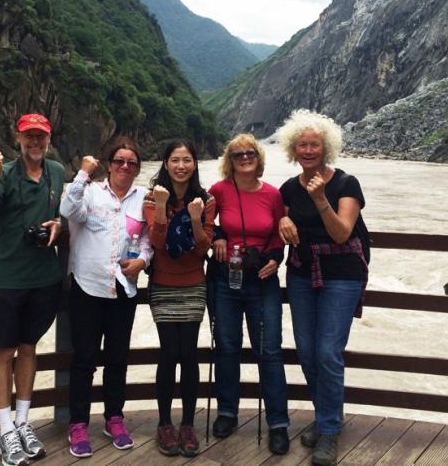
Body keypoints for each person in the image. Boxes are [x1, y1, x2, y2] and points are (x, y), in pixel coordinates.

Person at [277, 109, 368, 466]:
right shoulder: (287, 188)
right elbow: (277, 221)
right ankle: (326, 416)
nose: (309, 150)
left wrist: (320, 200)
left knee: (328, 352)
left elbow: (342, 232)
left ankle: (328, 429)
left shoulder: (346, 184)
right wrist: (283, 217)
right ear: (293, 149)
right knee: (306, 350)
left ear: (326, 147)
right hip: (301, 273)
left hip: (342, 274)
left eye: (315, 144)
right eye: (303, 144)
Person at [0, 113, 65, 466]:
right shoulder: (6, 172)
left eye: (40, 137)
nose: (35, 142)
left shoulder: (57, 172)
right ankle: (5, 431)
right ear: (18, 138)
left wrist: (58, 224)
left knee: (29, 347)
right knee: (4, 351)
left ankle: (23, 422)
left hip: (45, 276)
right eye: (29, 136)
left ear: (48, 138)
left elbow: (63, 214)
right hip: (8, 277)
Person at [60, 136, 152, 458]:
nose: (125, 167)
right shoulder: (90, 192)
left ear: (138, 168)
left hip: (124, 289)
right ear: (108, 163)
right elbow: (67, 209)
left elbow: (146, 240)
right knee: (84, 360)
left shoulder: (145, 199)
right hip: (88, 287)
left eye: (131, 163)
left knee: (117, 359)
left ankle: (114, 418)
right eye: (119, 161)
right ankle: (78, 424)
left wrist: (143, 261)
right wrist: (83, 173)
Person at [207, 133, 290, 455]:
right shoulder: (219, 191)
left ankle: (278, 423)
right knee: (226, 347)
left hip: (262, 281)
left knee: (269, 350)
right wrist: (216, 236)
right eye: (238, 153)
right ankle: (227, 412)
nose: (245, 157)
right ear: (230, 159)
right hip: (225, 279)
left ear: (258, 157)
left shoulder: (272, 195)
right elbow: (203, 220)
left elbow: (277, 236)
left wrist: (274, 259)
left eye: (250, 152)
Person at [142, 140, 216, 457]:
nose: (181, 166)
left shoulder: (206, 200)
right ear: (166, 163)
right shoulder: (151, 197)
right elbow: (158, 243)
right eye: (175, 160)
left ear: (195, 164)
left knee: (188, 353)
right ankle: (164, 423)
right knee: (168, 352)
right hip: (162, 283)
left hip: (192, 284)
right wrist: (160, 206)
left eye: (187, 160)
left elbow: (203, 248)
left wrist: (196, 218)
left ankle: (187, 423)